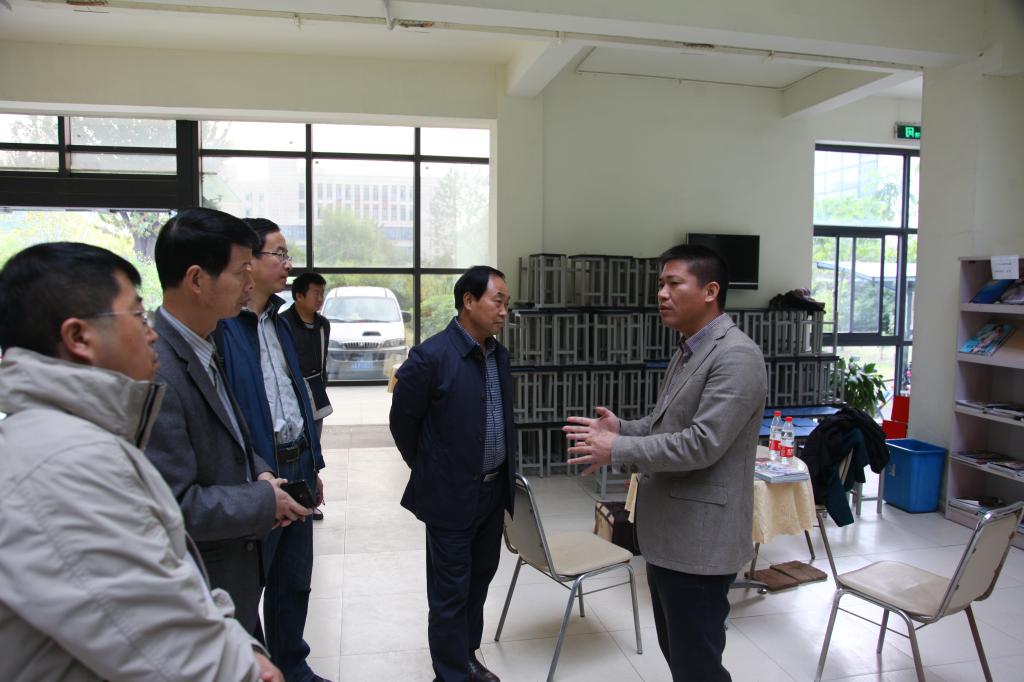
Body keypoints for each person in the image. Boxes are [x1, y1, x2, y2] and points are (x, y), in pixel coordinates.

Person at [0, 242, 283, 682]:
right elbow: (169, 652)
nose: (150, 334)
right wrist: (247, 667)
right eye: (136, 316)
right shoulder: (67, 465)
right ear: (79, 337)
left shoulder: (79, 440)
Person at [565, 244, 767, 682]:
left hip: (700, 543)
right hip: (670, 536)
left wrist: (617, 448)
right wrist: (622, 428)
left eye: (674, 283)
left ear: (710, 291)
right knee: (681, 658)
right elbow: (667, 426)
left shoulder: (736, 356)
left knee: (697, 667)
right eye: (661, 284)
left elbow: (701, 444)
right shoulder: (689, 350)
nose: (661, 293)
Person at [145, 208, 309, 639]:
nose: (249, 285)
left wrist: (261, 471)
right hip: (201, 582)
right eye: (240, 273)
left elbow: (234, 435)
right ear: (198, 280)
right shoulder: (157, 371)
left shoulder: (203, 346)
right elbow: (171, 505)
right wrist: (262, 499)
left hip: (233, 571)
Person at [389, 265, 516, 682]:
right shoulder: (431, 357)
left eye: (507, 303)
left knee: (478, 581)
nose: (504, 311)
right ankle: (450, 674)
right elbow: (403, 423)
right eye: (498, 301)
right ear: (469, 301)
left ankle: (466, 658)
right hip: (450, 495)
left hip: (492, 492)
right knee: (450, 591)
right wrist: (432, 469)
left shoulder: (498, 355)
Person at [217, 218, 328, 682]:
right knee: (250, 582)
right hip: (259, 472)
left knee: (294, 578)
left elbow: (297, 395)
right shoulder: (224, 328)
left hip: (296, 459)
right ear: (248, 261)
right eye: (278, 254)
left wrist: (314, 464)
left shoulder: (279, 324)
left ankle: (293, 666)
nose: (287, 264)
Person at [281, 271, 332, 521]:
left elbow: (322, 359)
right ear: (299, 296)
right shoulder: (283, 323)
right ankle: (290, 500)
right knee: (294, 447)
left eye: (322, 293)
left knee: (313, 447)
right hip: (292, 392)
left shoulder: (323, 324)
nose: (320, 298)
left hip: (316, 391)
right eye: (315, 293)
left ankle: (310, 499)